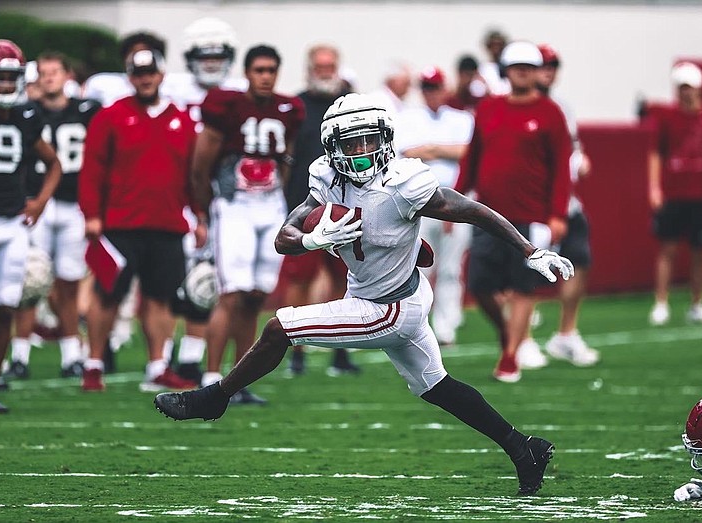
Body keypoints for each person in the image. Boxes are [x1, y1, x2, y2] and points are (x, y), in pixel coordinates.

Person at [154, 93, 574, 497]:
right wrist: (312, 239)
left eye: (369, 139)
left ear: (386, 139)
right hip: (387, 294)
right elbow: (286, 236)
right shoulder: (325, 177)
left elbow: (472, 211)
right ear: (332, 147)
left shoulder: (404, 182)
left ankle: (215, 398)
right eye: (351, 142)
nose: (361, 150)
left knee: (280, 326)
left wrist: (529, 249)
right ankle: (524, 449)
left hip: (387, 308)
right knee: (437, 386)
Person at [78, 48, 204, 392]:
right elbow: (92, 169)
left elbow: (192, 175)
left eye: (150, 72)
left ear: (161, 75)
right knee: (108, 295)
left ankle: (157, 365)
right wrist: (91, 215)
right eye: (138, 73)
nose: (145, 78)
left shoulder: (181, 119)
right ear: (130, 77)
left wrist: (200, 215)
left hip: (166, 222)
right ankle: (93, 363)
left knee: (160, 298)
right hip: (120, 223)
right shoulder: (111, 116)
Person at [191, 45, 305, 403]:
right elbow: (199, 166)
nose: (266, 76)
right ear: (247, 72)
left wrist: (279, 198)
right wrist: (205, 209)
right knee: (231, 294)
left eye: (272, 69)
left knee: (256, 296)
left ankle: (237, 382)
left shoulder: (288, 109)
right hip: (235, 205)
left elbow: (286, 154)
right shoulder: (227, 106)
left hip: (269, 205)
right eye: (259, 70)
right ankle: (211, 378)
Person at [456, 41, 573, 383]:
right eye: (516, 65)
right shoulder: (488, 109)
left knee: (525, 287)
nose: (522, 71)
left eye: (529, 66)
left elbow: (561, 168)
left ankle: (509, 356)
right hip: (488, 215)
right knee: (478, 284)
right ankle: (509, 336)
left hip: (532, 216)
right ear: (505, 70)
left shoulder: (551, 113)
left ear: (538, 72)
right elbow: (472, 158)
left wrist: (557, 215)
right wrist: (456, 200)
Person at [0, 40, 63, 412]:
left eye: (13, 77)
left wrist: (41, 201)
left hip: (13, 223)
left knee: (3, 308)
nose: (8, 84)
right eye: (1, 77)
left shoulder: (28, 116)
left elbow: (54, 164)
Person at [3, 52, 100, 381]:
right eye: (43, 73)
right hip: (38, 203)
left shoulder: (86, 110)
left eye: (55, 72)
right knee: (30, 280)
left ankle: (72, 352)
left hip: (74, 204)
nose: (49, 78)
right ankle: (20, 354)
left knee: (68, 284)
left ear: (68, 75)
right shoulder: (28, 112)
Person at [162, 17, 247, 384]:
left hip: (219, 196)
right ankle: (162, 357)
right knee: (168, 279)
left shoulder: (239, 93)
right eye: (203, 55)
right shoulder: (171, 89)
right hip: (172, 192)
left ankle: (191, 358)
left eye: (218, 55)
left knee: (206, 280)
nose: (211, 63)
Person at [281, 44, 359, 376]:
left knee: (346, 281)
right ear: (309, 69)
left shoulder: (351, 105)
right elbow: (287, 156)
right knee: (300, 281)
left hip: (346, 206)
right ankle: (294, 350)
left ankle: (340, 352)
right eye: (320, 66)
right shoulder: (296, 107)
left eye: (331, 66)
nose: (326, 71)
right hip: (306, 205)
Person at [647, 62, 702, 326]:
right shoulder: (667, 118)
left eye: (689, 87)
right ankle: (661, 302)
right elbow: (656, 154)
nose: (686, 93)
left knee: (701, 251)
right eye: (681, 87)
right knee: (667, 249)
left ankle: (697, 303)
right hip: (674, 193)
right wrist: (655, 187)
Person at [395, 66, 474, 345]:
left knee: (451, 268)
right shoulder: (408, 117)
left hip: (457, 201)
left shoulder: (462, 118)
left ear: (445, 88)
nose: (432, 93)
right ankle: (419, 324)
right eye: (427, 88)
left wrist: (433, 149)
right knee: (420, 266)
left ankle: (446, 326)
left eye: (436, 87)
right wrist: (447, 150)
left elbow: (469, 152)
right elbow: (407, 152)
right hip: (420, 203)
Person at [534, 44, 599, 367]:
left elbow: (572, 146)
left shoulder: (562, 106)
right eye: (543, 64)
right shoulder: (522, 105)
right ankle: (520, 341)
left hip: (567, 202)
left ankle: (566, 333)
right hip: (533, 203)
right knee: (523, 273)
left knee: (578, 262)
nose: (548, 71)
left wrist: (580, 159)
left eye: (553, 65)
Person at [479, 29, 510, 96]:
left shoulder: (511, 68)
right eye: (493, 45)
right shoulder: (482, 69)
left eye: (499, 45)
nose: (496, 48)